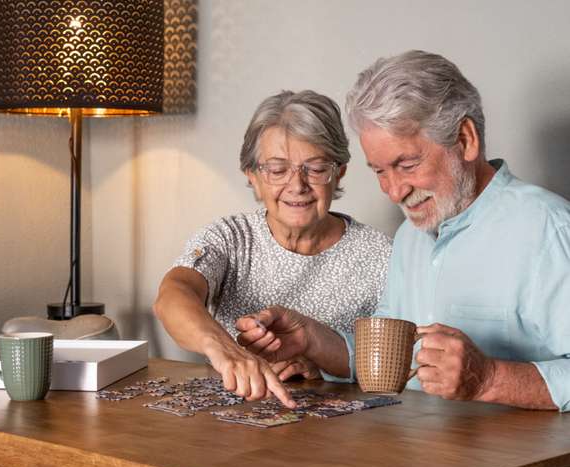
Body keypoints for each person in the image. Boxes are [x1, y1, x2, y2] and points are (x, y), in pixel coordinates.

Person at [237, 51, 570, 412]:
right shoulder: (412, 234)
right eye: (380, 171)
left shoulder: (548, 229)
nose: (394, 192)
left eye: (407, 164)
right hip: (418, 458)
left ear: (465, 139)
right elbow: (390, 362)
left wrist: (490, 377)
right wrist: (311, 340)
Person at [153, 90, 392, 408]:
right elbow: (173, 295)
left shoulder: (382, 254)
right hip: (229, 427)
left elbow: (397, 367)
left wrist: (322, 371)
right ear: (252, 176)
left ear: (340, 171)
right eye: (277, 170)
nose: (297, 186)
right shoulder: (230, 237)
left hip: (345, 440)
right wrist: (229, 352)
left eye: (316, 168)